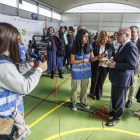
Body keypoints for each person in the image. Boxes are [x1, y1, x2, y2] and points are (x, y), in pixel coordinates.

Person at [0, 23, 47, 140]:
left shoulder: (3, 62)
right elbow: (25, 86)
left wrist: (29, 65)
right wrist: (39, 70)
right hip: (7, 120)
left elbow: (11, 77)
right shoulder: (3, 66)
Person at [107, 27, 138, 126]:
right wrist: (114, 59)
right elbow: (122, 59)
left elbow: (132, 65)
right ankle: (115, 111)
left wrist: (115, 65)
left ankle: (117, 117)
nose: (117, 36)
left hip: (122, 79)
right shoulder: (122, 45)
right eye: (117, 34)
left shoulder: (131, 47)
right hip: (117, 77)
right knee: (115, 98)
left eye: (119, 34)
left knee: (120, 99)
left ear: (127, 35)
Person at [70, 29, 105, 111]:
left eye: (87, 37)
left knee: (84, 88)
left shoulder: (89, 47)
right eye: (84, 36)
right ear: (79, 37)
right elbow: (72, 61)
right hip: (77, 73)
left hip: (86, 72)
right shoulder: (74, 47)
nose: (86, 38)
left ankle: (83, 101)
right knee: (75, 89)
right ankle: (73, 102)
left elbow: (92, 59)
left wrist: (99, 56)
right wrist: (82, 61)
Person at [89, 30, 115, 100]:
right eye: (103, 39)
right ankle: (93, 93)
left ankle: (99, 94)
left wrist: (112, 57)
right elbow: (92, 56)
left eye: (107, 39)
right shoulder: (95, 44)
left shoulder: (110, 45)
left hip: (106, 66)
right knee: (94, 80)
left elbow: (113, 54)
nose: (105, 40)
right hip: (97, 65)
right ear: (100, 38)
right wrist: (99, 59)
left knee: (101, 81)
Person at [125, 26, 140, 108]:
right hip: (126, 66)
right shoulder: (127, 41)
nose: (131, 33)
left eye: (133, 31)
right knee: (124, 82)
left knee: (133, 84)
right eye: (130, 31)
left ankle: (130, 99)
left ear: (137, 32)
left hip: (135, 67)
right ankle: (122, 98)